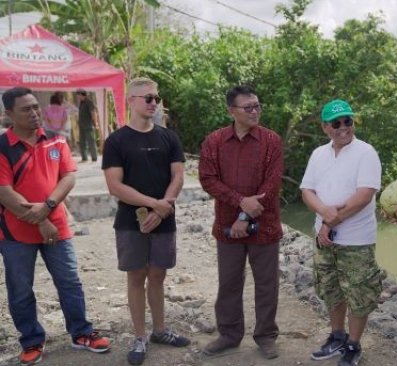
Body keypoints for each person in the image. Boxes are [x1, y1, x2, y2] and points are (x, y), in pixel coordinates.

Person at [0, 87, 110, 365]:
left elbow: (68, 177)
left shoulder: (56, 141)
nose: (35, 113)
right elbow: (4, 193)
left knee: (70, 282)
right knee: (20, 288)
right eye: (26, 109)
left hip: (57, 228)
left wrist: (48, 209)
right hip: (15, 232)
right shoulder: (2, 147)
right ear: (8, 114)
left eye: (36, 106)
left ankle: (81, 332)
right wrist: (43, 221)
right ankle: (32, 340)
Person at [102, 77, 189, 365]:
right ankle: (140, 336)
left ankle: (160, 330)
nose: (154, 103)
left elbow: (178, 175)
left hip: (164, 217)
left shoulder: (168, 137)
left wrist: (165, 208)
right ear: (131, 101)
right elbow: (115, 185)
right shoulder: (116, 140)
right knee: (137, 275)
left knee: (159, 275)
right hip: (131, 220)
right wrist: (154, 204)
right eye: (147, 98)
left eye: (156, 98)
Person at [198, 85, 283, 360]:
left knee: (267, 283)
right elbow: (207, 179)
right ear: (231, 111)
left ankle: (266, 336)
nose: (255, 111)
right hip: (227, 225)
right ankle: (229, 334)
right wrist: (239, 202)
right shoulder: (214, 141)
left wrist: (245, 216)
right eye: (248, 107)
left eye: (257, 105)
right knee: (229, 283)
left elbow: (271, 185)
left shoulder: (271, 141)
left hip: (264, 223)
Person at [300, 99, 383, 366]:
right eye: (336, 123)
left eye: (348, 121)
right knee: (331, 291)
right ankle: (336, 337)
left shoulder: (366, 152)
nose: (344, 127)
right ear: (325, 127)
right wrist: (324, 212)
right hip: (324, 240)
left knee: (358, 294)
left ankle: (353, 345)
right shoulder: (318, 154)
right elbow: (306, 191)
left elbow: (363, 196)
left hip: (357, 241)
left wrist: (330, 221)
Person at [75, 89, 98, 162]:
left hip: (88, 125)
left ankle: (94, 157)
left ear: (81, 94)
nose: (77, 97)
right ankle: (84, 157)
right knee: (82, 142)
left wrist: (95, 123)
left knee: (91, 141)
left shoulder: (89, 102)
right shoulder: (81, 103)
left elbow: (93, 112)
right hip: (82, 125)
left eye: (78, 95)